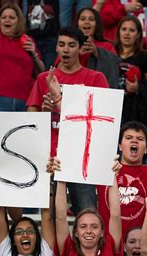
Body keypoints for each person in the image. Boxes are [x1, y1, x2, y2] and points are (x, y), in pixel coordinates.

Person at [27, 26, 109, 213]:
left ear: (81, 49)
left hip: (82, 159)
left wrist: (58, 102)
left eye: (71, 45)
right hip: (49, 159)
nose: (65, 49)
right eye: (61, 44)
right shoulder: (43, 79)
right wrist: (43, 111)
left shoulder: (96, 78)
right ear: (55, 47)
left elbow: (103, 122)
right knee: (51, 220)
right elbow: (30, 122)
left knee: (87, 217)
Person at [54, 158, 122, 256]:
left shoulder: (109, 254)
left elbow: (116, 216)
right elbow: (60, 217)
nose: (89, 231)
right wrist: (61, 178)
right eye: (83, 226)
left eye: (95, 226)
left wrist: (112, 177)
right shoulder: (68, 253)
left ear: (102, 232)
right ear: (76, 232)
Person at [0, 0, 44, 127]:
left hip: (24, 101)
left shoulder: (28, 41)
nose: (7, 20)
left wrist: (34, 54)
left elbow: (41, 72)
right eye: (3, 17)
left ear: (18, 21)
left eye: (11, 17)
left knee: (20, 145)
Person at [114, 16, 147, 138]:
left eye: (131, 30)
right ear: (118, 31)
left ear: (138, 35)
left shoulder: (144, 57)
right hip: (113, 107)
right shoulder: (109, 53)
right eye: (124, 29)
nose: (127, 33)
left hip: (134, 111)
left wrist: (138, 88)